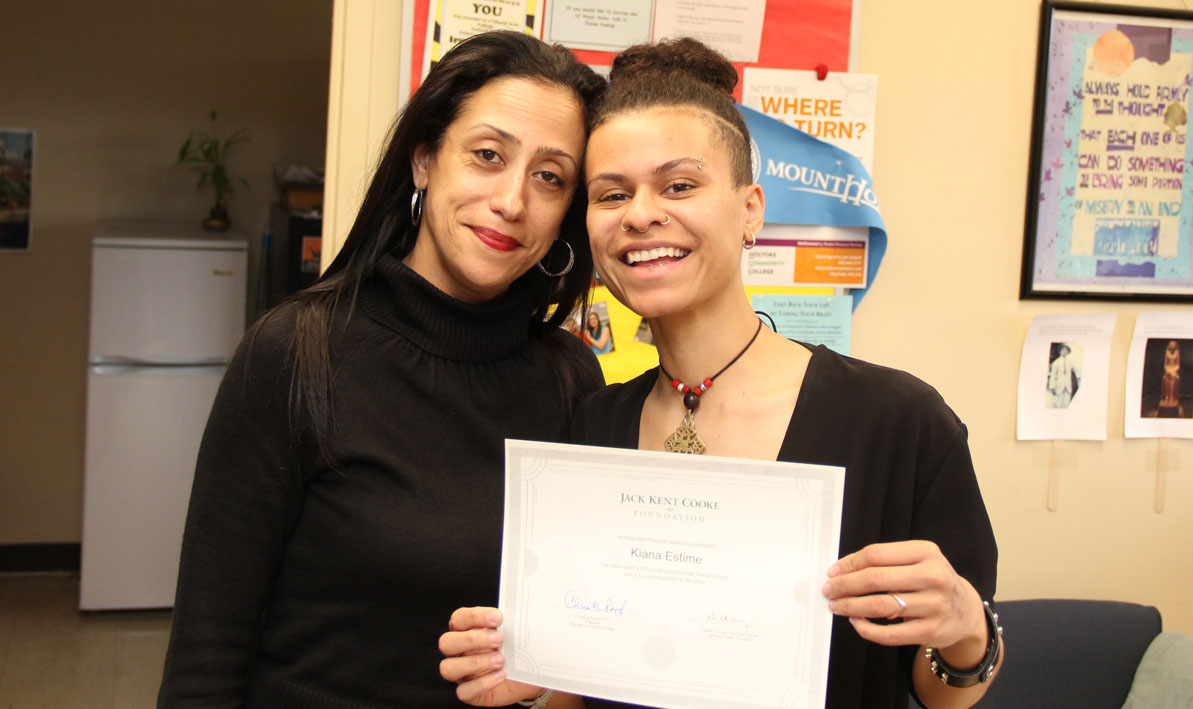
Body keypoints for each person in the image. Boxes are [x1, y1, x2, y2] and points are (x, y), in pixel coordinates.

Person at [439, 38, 1001, 709]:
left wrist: (967, 629)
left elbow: (945, 695)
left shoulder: (898, 423)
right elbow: (587, 689)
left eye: (678, 185)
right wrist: (536, 678)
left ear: (750, 209)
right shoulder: (588, 429)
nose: (641, 214)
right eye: (611, 193)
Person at [158, 31, 606, 708]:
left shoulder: (571, 378)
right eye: (487, 155)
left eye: (549, 176)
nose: (512, 200)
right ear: (425, 159)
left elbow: (588, 626)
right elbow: (206, 652)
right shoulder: (295, 351)